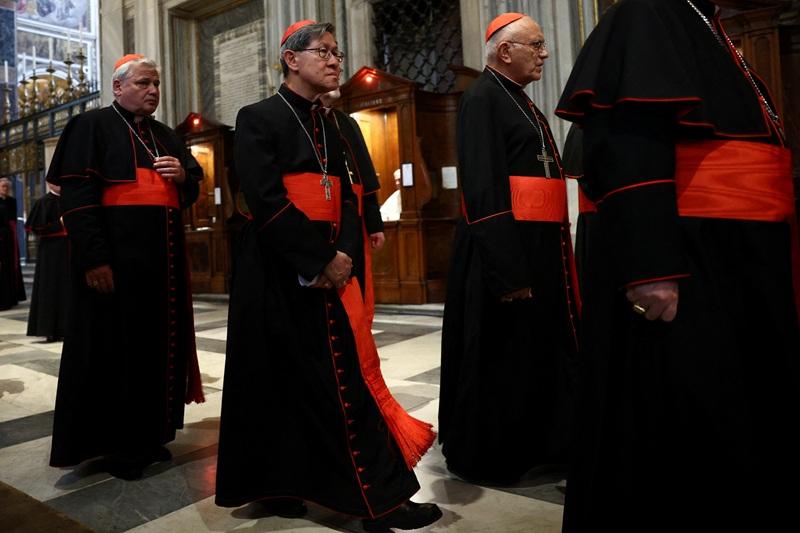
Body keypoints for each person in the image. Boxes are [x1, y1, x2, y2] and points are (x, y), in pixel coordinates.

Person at [555, 0, 800, 531]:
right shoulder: (647, 13)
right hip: (690, 259)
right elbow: (627, 145)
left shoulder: (704, 23)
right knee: (688, 421)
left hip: (737, 260)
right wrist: (651, 267)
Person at [215, 20, 441, 532]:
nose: (336, 60)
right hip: (276, 268)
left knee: (340, 378)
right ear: (291, 60)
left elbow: (347, 195)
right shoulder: (258, 117)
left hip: (328, 262)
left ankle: (379, 496)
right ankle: (292, 487)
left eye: (338, 52)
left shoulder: (335, 125)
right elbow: (264, 198)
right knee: (284, 381)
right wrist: (317, 259)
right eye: (325, 52)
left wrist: (342, 254)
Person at [46, 54, 205, 481]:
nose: (152, 91)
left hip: (163, 268)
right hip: (116, 266)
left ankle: (150, 436)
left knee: (156, 351)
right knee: (116, 352)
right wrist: (94, 258)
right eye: (143, 83)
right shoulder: (91, 126)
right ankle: (117, 445)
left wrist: (182, 177)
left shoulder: (166, 136)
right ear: (118, 88)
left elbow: (191, 187)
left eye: (156, 84)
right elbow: (77, 199)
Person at [438, 13, 579, 486]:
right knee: (502, 359)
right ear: (505, 51)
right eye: (535, 45)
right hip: (506, 255)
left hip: (539, 250)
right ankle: (493, 454)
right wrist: (508, 271)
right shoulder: (482, 98)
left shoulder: (519, 100)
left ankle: (543, 443)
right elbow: (483, 188)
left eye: (542, 44)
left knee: (535, 354)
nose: (544, 53)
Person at [319, 88, 385, 316]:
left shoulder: (346, 122)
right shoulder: (305, 119)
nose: (336, 67)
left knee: (357, 279)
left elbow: (364, 175)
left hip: (355, 214)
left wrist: (375, 224)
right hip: (326, 211)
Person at [25, 183, 69, 341]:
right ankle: (49, 330)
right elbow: (37, 228)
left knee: (66, 289)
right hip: (50, 254)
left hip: (68, 251)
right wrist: (60, 224)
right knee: (49, 289)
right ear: (50, 183)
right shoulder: (43, 202)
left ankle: (67, 328)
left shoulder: (71, 199)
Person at [0, 177, 26, 310]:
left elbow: (13, 221)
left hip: (9, 238)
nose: (5, 188)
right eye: (3, 186)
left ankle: (11, 297)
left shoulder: (12, 201)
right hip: (1, 237)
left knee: (10, 267)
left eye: (7, 186)